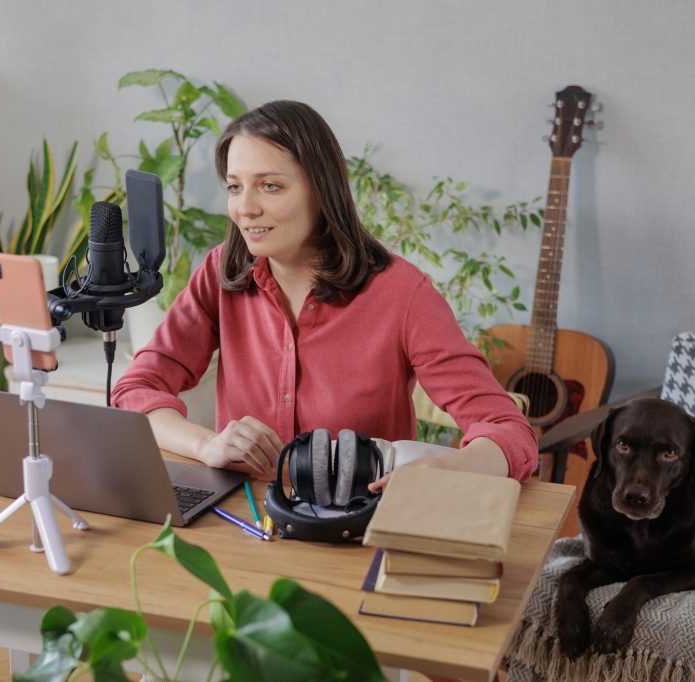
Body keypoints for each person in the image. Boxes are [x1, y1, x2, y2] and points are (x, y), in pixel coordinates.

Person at [111, 100, 537, 487]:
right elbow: (136, 389)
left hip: (358, 528)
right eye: (235, 186)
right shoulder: (221, 272)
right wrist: (207, 446)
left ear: (321, 190)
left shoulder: (403, 294)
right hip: (246, 519)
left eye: (270, 186)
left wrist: (439, 470)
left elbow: (509, 430)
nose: (245, 208)